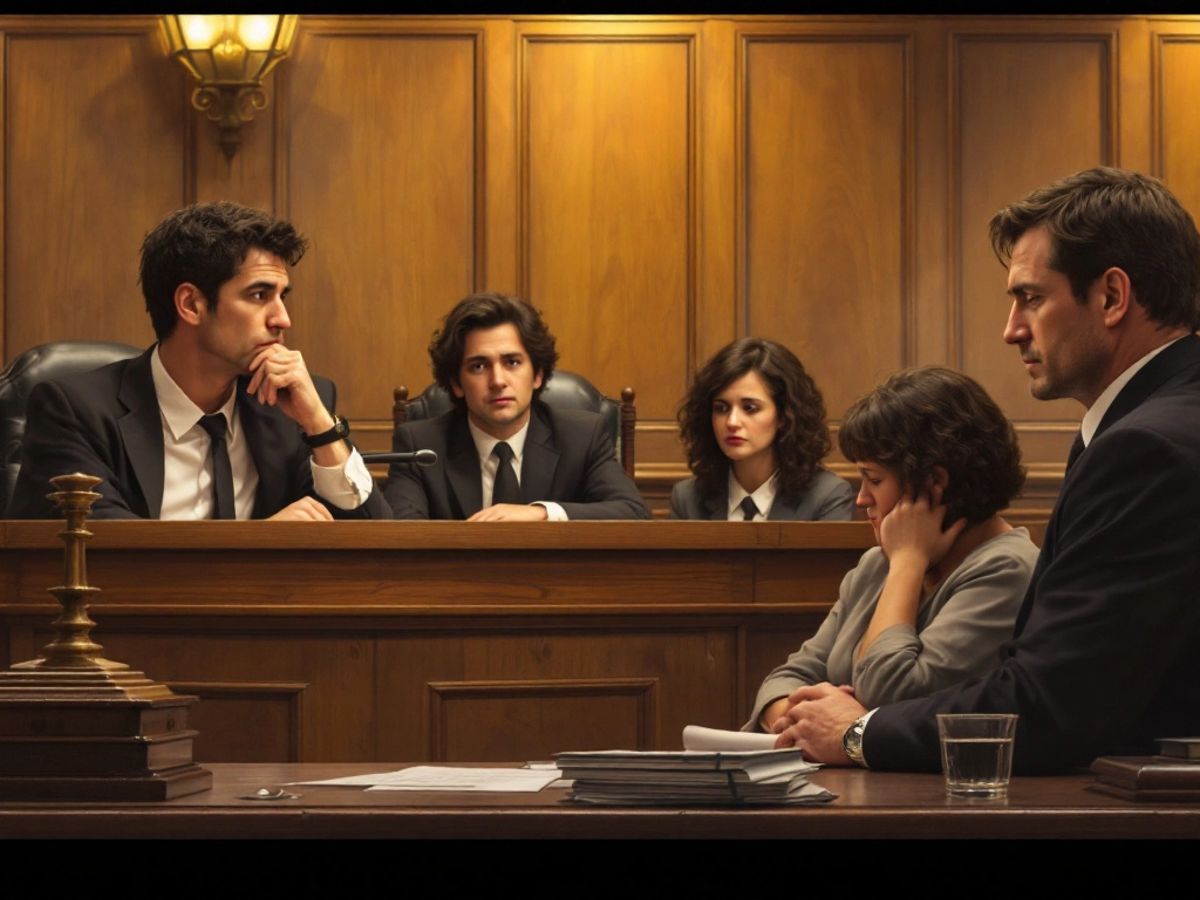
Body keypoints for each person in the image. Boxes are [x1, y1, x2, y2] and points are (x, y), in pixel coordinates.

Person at [774, 167, 1200, 774]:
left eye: (1031, 297)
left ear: (1111, 297)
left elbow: (1053, 706)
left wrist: (858, 733)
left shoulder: (1146, 448)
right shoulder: (1152, 424)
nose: (1011, 330)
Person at [7, 201, 391, 521]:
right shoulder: (75, 412)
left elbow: (374, 548)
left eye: (282, 296)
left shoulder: (288, 407)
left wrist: (321, 427)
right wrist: (255, 547)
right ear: (191, 304)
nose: (282, 319)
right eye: (259, 295)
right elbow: (101, 556)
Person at [747, 367, 1037, 729]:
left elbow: (890, 694)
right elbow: (787, 677)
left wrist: (908, 561)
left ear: (934, 483)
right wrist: (803, 720)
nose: (861, 498)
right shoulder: (876, 564)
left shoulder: (1007, 570)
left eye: (874, 479)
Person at [384, 292, 650, 521]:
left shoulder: (582, 437)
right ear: (456, 383)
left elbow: (633, 512)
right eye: (478, 366)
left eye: (512, 362)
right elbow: (403, 534)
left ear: (537, 375)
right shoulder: (420, 446)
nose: (498, 381)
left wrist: (542, 513)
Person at [670, 338, 853, 521]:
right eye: (721, 408)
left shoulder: (827, 497)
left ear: (783, 415)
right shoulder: (688, 499)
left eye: (749, 408)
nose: (732, 422)